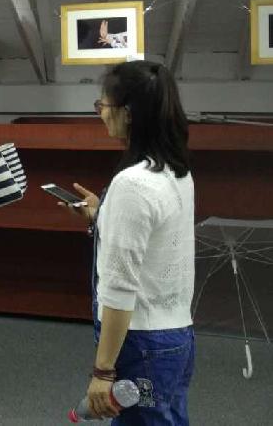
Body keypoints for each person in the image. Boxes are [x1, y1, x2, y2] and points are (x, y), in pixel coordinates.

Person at [62, 61, 195, 424]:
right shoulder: (176, 171)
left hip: (142, 343)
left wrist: (103, 370)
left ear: (129, 113)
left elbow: (120, 287)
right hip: (176, 336)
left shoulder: (132, 184)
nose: (101, 113)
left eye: (103, 104)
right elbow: (154, 243)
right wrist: (102, 215)